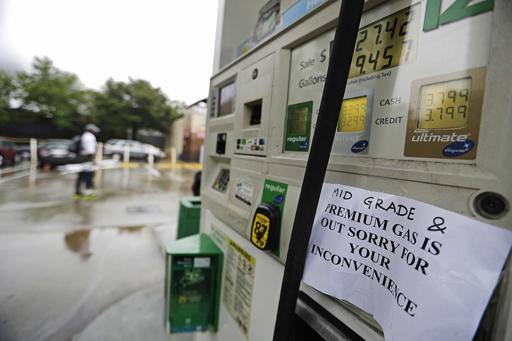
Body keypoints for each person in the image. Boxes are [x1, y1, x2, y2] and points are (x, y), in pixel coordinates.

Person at [74, 124, 100, 198]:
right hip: (87, 158)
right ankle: (88, 193)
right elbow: (90, 150)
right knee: (89, 175)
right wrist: (93, 159)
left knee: (81, 175)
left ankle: (77, 192)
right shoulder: (90, 137)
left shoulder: (83, 136)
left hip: (80, 157)